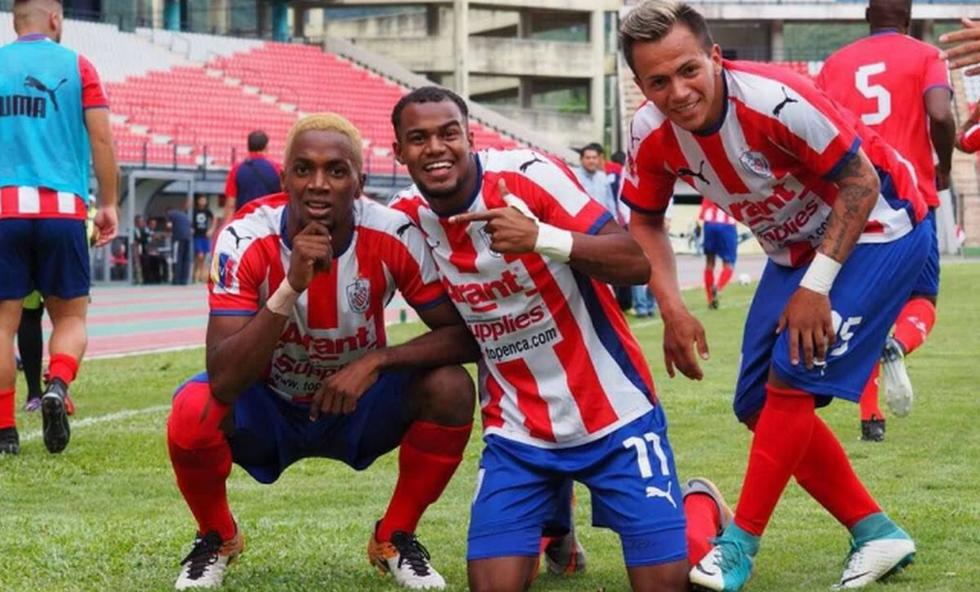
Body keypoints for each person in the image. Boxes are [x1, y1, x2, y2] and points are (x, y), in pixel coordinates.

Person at [619, 2, 931, 589]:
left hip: (880, 225)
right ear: (641, 86)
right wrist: (673, 308)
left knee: (790, 376)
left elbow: (861, 182)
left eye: (689, 70)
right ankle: (876, 531)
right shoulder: (647, 132)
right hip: (794, 247)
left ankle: (737, 548)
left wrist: (816, 288)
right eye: (658, 81)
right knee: (757, 406)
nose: (679, 91)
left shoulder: (775, 98)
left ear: (715, 57)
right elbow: (645, 221)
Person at [389, 86, 731, 592]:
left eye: (448, 133)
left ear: (470, 138)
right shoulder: (402, 220)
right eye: (417, 139)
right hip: (517, 431)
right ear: (398, 152)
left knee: (668, 584)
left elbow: (634, 260)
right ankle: (555, 528)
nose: (435, 148)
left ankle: (701, 506)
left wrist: (540, 238)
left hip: (614, 412)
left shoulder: (528, 177)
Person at [167, 113, 480, 591]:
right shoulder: (243, 237)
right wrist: (290, 287)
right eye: (303, 169)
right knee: (193, 409)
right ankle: (217, 536)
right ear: (283, 178)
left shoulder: (394, 234)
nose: (318, 184)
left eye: (336, 171)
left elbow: (463, 336)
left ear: (359, 183)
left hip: (357, 404)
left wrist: (375, 362)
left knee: (451, 387)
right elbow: (225, 377)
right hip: (270, 404)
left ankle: (395, 536)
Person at [816, 0, 955, 441]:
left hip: (852, 200)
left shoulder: (834, 64)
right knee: (922, 298)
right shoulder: (926, 55)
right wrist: (945, 166)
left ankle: (870, 417)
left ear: (866, 17)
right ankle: (901, 344)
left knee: (869, 307)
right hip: (908, 197)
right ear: (909, 19)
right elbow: (940, 113)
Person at [0, 0, 118, 455]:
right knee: (70, 316)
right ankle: (58, 383)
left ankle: (5, 432)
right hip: (63, 208)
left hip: (5, 207)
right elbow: (102, 138)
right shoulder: (78, 66)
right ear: (54, 17)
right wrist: (108, 202)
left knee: (3, 325)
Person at [221, 130, 282, 221]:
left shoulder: (236, 169)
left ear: (248, 146)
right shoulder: (277, 168)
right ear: (266, 146)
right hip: (269, 224)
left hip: (244, 223)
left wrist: (225, 228)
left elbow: (231, 205)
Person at [697, 198, 738, 310]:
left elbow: (703, 209)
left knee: (709, 263)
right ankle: (718, 287)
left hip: (709, 223)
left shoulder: (709, 183)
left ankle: (710, 299)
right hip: (727, 224)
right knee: (729, 263)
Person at [191, 194, 215, 283]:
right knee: (199, 256)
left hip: (205, 236)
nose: (203, 202)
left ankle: (199, 275)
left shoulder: (207, 211)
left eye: (204, 200)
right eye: (201, 200)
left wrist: (211, 229)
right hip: (197, 236)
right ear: (198, 201)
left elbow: (214, 219)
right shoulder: (194, 211)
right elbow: (189, 220)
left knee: (203, 257)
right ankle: (196, 275)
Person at [167, 203, 192, 285]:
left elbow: (169, 226)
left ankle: (176, 280)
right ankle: (184, 280)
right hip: (188, 238)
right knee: (185, 259)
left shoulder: (170, 214)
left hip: (178, 238)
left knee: (177, 258)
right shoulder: (184, 215)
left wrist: (170, 233)